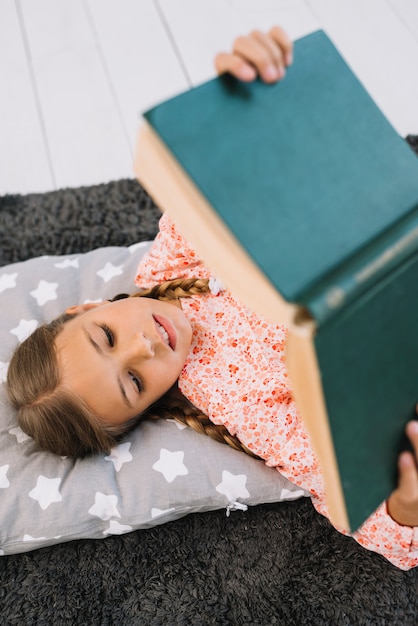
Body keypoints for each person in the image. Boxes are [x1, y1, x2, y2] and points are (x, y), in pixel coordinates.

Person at [6, 27, 418, 570]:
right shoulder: (230, 401)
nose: (145, 347)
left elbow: (240, 166)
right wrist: (405, 505)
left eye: (106, 336)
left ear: (86, 309)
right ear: (146, 409)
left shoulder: (174, 259)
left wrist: (245, 92)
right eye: (133, 382)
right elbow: (340, 490)